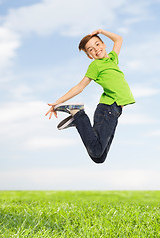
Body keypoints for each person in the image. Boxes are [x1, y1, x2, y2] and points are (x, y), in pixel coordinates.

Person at [45, 29, 135, 164]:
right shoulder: (96, 66)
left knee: (99, 158)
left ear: (104, 44)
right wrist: (57, 102)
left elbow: (118, 39)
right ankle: (78, 114)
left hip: (115, 112)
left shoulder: (112, 59)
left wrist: (101, 31)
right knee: (97, 151)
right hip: (107, 109)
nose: (96, 49)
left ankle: (79, 122)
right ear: (89, 55)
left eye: (97, 44)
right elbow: (80, 87)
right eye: (91, 50)